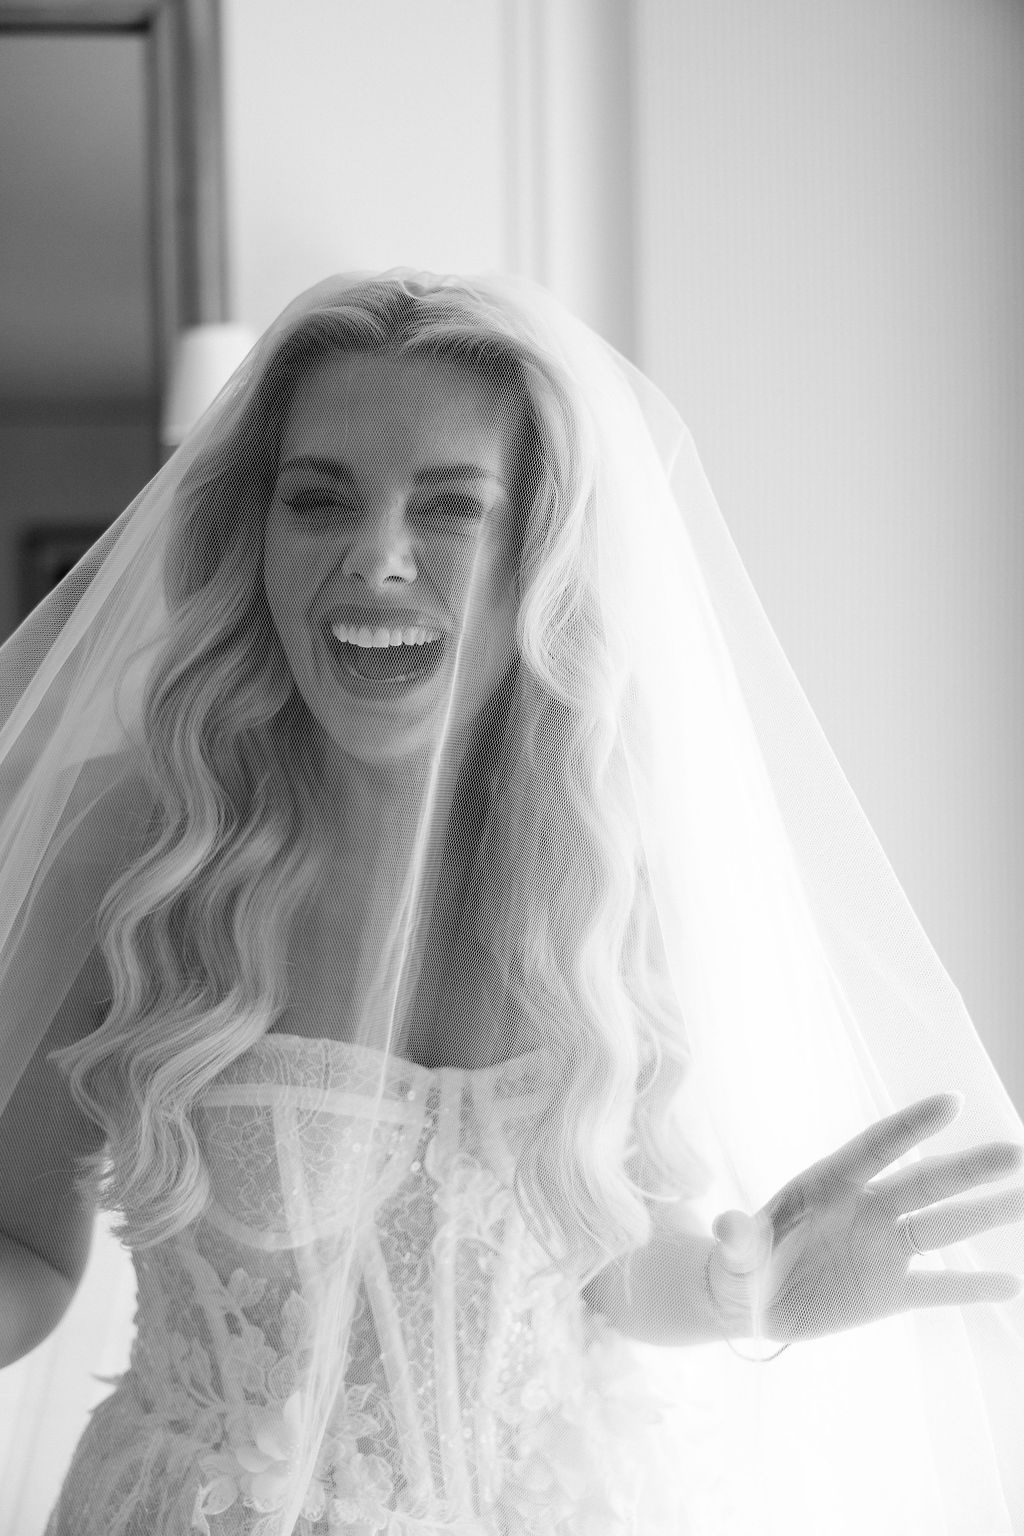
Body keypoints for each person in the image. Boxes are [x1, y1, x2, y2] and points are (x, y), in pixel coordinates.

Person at [1, 269, 1023, 1535]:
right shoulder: (140, 842)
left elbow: (612, 1271)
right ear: (251, 536)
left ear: (540, 550)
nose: (376, 557)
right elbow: (29, 1256)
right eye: (318, 500)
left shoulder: (610, 856)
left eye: (451, 507)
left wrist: (741, 1286)